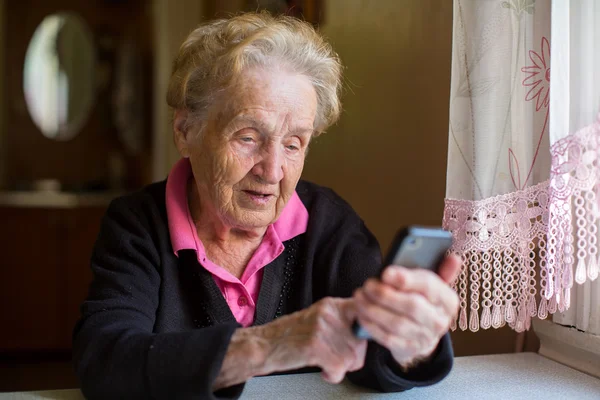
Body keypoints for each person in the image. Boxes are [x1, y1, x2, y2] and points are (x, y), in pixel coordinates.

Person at [73, 11, 461, 400]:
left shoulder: (329, 223)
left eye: (294, 144)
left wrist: (410, 342)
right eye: (247, 137)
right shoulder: (138, 225)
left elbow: (374, 356)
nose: (273, 170)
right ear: (185, 131)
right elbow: (106, 364)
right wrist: (271, 345)